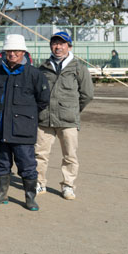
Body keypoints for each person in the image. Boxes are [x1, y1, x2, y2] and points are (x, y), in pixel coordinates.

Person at [0, 34, 50, 211]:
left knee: (28, 165)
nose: (12, 54)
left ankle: (30, 197)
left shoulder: (34, 74)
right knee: (1, 163)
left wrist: (26, 115)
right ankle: (1, 194)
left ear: (23, 52)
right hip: (0, 129)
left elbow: (43, 99)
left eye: (16, 51)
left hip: (23, 131)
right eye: (9, 51)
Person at [36, 31, 94, 200]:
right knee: (40, 153)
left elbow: (87, 94)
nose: (58, 47)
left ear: (69, 46)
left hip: (68, 120)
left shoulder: (78, 68)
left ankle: (68, 185)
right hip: (45, 118)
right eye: (55, 43)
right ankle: (40, 182)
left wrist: (73, 110)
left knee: (70, 155)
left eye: (62, 44)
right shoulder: (44, 68)